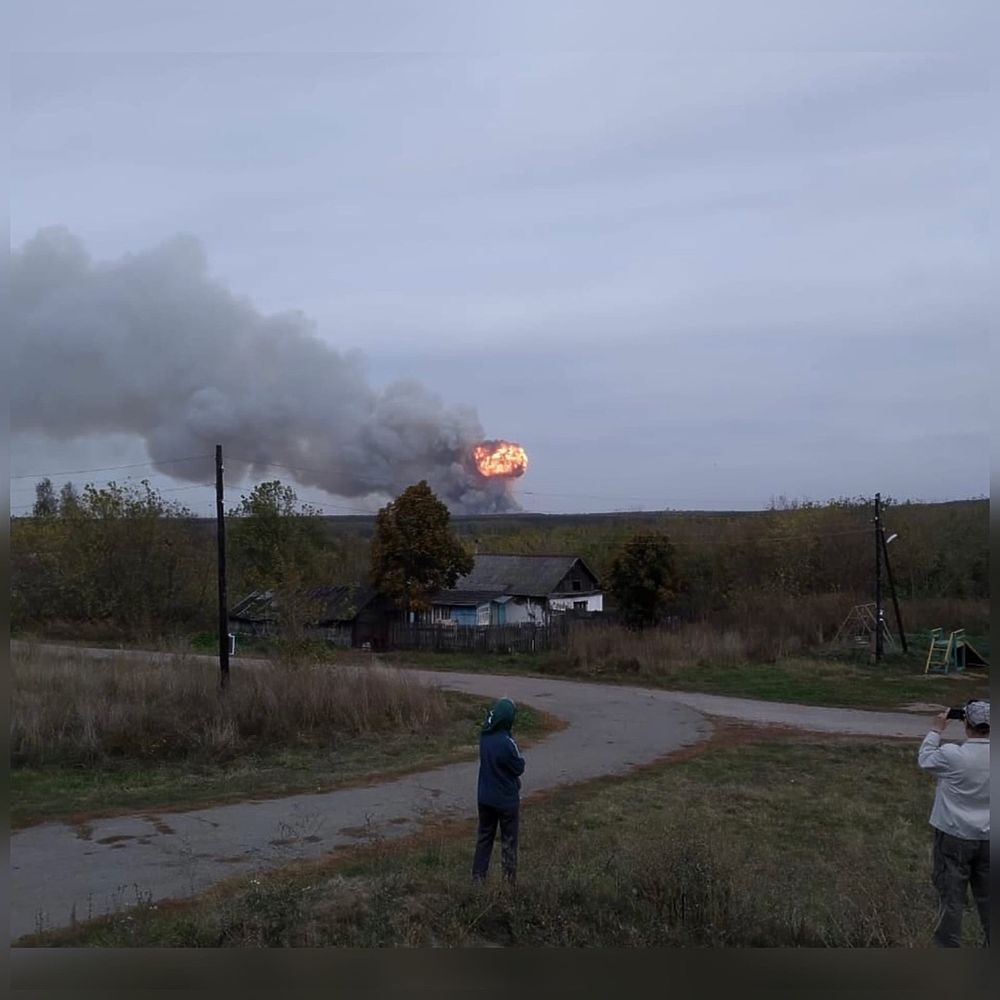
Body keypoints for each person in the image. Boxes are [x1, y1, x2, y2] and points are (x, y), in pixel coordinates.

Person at [917, 699, 990, 947]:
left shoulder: (953, 755)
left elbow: (925, 758)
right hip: (989, 838)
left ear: (966, 723)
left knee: (950, 900)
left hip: (953, 834)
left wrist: (936, 729)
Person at [472, 697, 525, 885]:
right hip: (506, 800)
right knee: (509, 841)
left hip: (485, 797)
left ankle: (478, 879)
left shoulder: (485, 736)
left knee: (484, 837)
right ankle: (508, 882)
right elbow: (519, 767)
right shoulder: (507, 743)